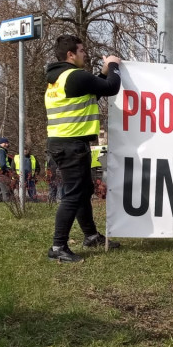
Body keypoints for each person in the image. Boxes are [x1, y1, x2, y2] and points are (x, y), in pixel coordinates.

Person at [44, 34, 122, 263]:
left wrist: (103, 71)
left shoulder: (58, 78)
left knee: (82, 190)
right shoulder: (75, 76)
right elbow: (111, 87)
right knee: (73, 195)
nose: (85, 54)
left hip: (64, 143)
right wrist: (113, 65)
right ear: (71, 54)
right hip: (71, 145)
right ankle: (58, 247)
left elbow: (94, 90)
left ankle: (90, 235)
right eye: (81, 50)